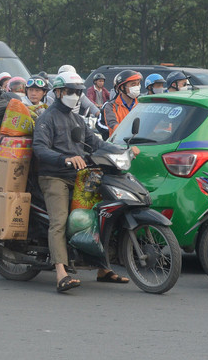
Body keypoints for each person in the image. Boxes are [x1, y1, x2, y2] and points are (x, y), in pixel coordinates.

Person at [32, 72, 129, 292]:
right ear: (58, 93)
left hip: (78, 176)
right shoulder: (46, 118)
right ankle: (60, 273)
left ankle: (102, 268)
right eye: (70, 92)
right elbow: (39, 149)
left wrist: (123, 151)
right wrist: (64, 158)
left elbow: (94, 142)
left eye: (78, 92)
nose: (74, 96)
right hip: (53, 176)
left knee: (97, 216)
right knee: (60, 221)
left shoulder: (77, 119)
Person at [100, 70, 142, 137]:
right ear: (122, 88)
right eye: (133, 84)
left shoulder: (142, 104)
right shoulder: (111, 106)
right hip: (119, 144)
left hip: (142, 142)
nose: (137, 87)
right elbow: (113, 124)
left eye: (138, 84)